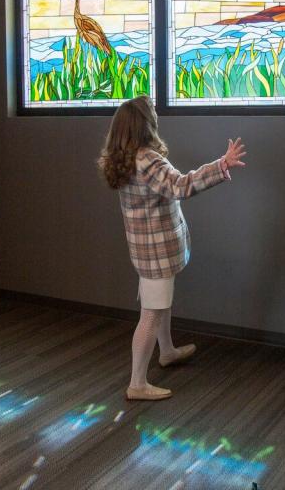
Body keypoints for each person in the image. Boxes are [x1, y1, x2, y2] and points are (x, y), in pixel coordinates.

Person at [97, 96, 247, 401]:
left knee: (160, 303)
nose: (156, 115)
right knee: (151, 313)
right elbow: (180, 185)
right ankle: (137, 383)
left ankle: (166, 351)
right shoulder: (147, 159)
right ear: (144, 124)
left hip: (145, 249)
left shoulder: (123, 157)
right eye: (153, 113)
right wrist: (221, 165)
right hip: (156, 252)